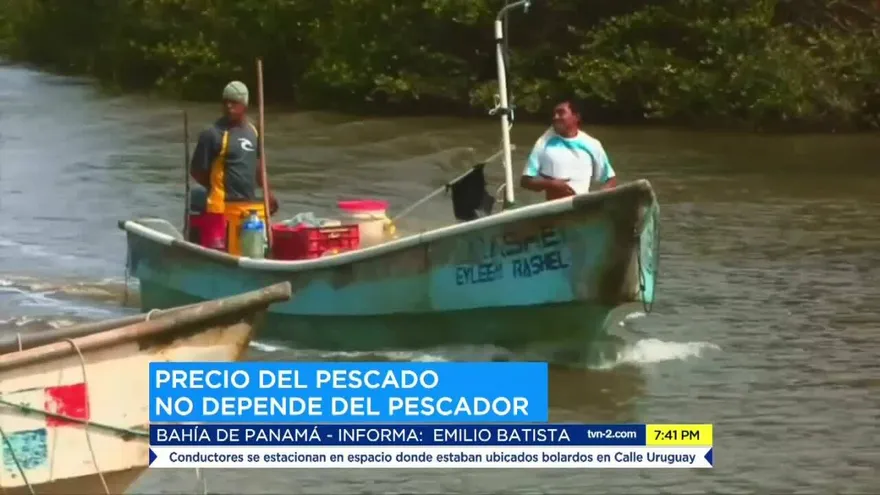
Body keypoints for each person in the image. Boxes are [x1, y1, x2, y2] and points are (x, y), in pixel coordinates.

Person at [189, 80, 279, 255]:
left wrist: (268, 193)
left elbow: (258, 165)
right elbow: (196, 171)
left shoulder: (253, 131)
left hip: (248, 208)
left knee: (250, 252)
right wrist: (215, 186)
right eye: (225, 102)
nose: (229, 106)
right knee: (221, 254)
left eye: (234, 102)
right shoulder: (212, 134)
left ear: (244, 105)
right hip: (221, 208)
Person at [520, 99, 617, 201]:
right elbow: (525, 181)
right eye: (554, 114)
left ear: (576, 117)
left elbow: (611, 180)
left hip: (582, 207)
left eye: (561, 113)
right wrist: (551, 184)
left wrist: (598, 198)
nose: (555, 117)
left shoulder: (592, 144)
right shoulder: (544, 143)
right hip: (553, 209)